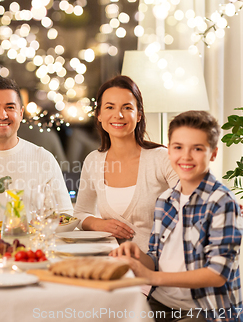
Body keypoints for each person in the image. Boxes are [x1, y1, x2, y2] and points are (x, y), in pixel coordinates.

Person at [110, 111, 242, 322]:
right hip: (161, 304)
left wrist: (152, 277)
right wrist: (137, 255)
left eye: (197, 149)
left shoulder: (222, 202)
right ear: (169, 151)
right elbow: (155, 259)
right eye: (178, 147)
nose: (186, 156)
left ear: (213, 153)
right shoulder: (165, 200)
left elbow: (217, 274)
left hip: (204, 310)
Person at [73, 75, 178, 252]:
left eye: (127, 107)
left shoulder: (162, 158)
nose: (118, 115)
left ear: (138, 115)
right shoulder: (93, 161)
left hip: (161, 265)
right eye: (110, 107)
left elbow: (190, 207)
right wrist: (99, 224)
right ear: (99, 115)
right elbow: (80, 213)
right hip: (113, 262)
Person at [0, 76, 73, 216]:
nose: (3, 115)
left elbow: (65, 214)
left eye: (10, 107)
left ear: (21, 113)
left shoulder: (43, 158)